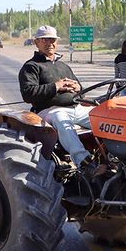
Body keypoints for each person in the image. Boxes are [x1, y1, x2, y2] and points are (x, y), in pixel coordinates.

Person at [18, 25, 102, 175]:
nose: (50, 43)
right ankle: (84, 162)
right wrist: (56, 86)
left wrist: (77, 87)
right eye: (45, 39)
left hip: (76, 108)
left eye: (53, 39)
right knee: (61, 119)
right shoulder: (31, 67)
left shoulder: (63, 66)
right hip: (49, 110)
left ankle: (114, 157)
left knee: (103, 116)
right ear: (37, 42)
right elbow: (28, 94)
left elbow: (80, 90)